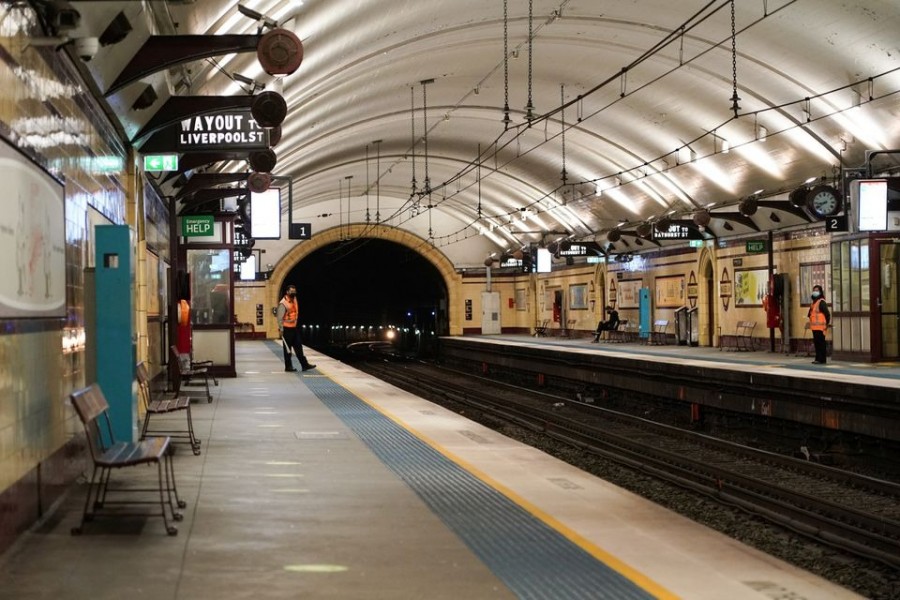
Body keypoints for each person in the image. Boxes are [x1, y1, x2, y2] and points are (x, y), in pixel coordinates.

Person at [277, 284, 316, 372]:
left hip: (294, 328)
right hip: (286, 329)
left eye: (294, 291)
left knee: (299, 347)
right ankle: (288, 367)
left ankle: (304, 365)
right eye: (291, 291)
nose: (293, 293)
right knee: (287, 349)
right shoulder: (283, 304)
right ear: (287, 292)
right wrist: (281, 330)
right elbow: (279, 318)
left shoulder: (294, 299)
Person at [808, 284, 831, 365]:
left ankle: (822, 359)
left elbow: (827, 314)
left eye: (817, 290)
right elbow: (810, 314)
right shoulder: (814, 303)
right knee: (817, 343)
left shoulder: (821, 302)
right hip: (814, 327)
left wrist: (826, 324)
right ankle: (818, 358)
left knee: (821, 343)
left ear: (820, 292)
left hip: (821, 327)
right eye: (814, 290)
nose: (815, 292)